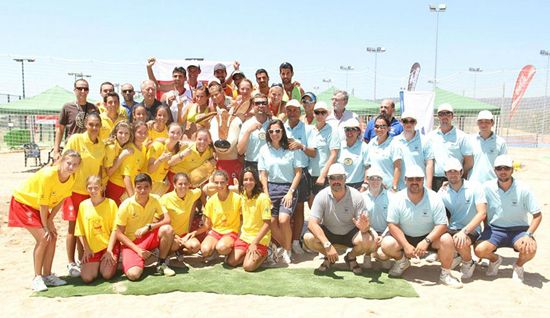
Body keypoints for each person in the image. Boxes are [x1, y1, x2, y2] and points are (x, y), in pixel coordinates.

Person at [8, 150, 81, 291]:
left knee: (53, 237)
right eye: (69, 163)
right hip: (24, 202)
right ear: (62, 161)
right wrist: (46, 224)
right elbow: (43, 204)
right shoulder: (49, 175)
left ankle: (47, 275)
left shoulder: (72, 178)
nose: (71, 167)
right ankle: (37, 277)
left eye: (75, 165)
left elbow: (60, 201)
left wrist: (50, 220)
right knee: (44, 238)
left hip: (39, 207)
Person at [381, 165, 463, 288]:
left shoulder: (434, 197)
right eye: (411, 179)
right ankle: (402, 262)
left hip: (428, 236)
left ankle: (446, 274)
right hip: (405, 235)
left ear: (423, 180)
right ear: (405, 180)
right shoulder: (397, 198)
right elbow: (392, 224)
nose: (414, 182)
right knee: (386, 244)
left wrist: (426, 241)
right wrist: (405, 245)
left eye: (418, 179)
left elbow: (442, 225)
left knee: (447, 240)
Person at [474, 155, 542, 283]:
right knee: (479, 251)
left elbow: (537, 215)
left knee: (530, 249)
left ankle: (518, 266)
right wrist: (447, 185)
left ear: (512, 170)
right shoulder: (486, 187)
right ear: (495, 170)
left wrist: (528, 235)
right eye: (499, 168)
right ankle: (495, 260)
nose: (503, 171)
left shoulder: (524, 189)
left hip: (519, 231)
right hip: (494, 230)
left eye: (506, 168)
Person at [303, 163, 376, 274]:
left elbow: (365, 226)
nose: (336, 181)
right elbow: (312, 224)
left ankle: (350, 257)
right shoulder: (321, 195)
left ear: (345, 179)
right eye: (333, 178)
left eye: (339, 177)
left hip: (350, 233)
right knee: (308, 238)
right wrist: (327, 245)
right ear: (328, 180)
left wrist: (364, 228)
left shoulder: (356, 196)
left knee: (368, 240)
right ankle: (329, 256)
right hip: (329, 232)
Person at [62, 112, 105, 277]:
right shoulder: (76, 140)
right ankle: (70, 263)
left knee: (86, 228)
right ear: (85, 125)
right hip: (74, 191)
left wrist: (100, 188)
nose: (94, 128)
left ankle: (82, 259)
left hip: (91, 193)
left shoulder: (101, 144)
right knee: (73, 228)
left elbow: (100, 168)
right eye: (91, 124)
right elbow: (65, 161)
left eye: (97, 125)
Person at [115, 173, 176, 280]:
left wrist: (149, 227)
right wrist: (138, 250)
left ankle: (161, 263)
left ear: (151, 187)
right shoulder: (126, 205)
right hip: (132, 243)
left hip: (148, 237)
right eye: (139, 187)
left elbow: (167, 220)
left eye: (146, 187)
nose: (143, 190)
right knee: (133, 275)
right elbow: (118, 233)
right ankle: (139, 258)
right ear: (134, 188)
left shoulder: (155, 199)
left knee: (168, 229)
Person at [258, 119, 303, 264]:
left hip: (288, 188)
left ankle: (287, 250)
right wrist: (266, 193)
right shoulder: (264, 149)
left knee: (284, 220)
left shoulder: (291, 148)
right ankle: (286, 247)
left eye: (277, 130)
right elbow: (263, 174)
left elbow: (298, 173)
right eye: (271, 131)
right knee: (270, 222)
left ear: (282, 131)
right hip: (270, 188)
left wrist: (290, 192)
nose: (274, 134)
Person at [438, 158, 487, 279]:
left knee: (460, 241)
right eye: (449, 172)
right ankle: (458, 255)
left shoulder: (475, 187)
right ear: (445, 174)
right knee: (442, 241)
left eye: (456, 171)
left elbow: (482, 213)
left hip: (472, 229)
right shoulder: (442, 192)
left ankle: (468, 262)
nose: (453, 174)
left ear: (461, 172)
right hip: (452, 228)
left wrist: (464, 232)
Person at [226, 167, 272, 271]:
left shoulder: (263, 198)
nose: (248, 182)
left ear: (256, 181)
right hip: (245, 237)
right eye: (245, 179)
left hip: (260, 240)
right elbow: (230, 189)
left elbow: (267, 224)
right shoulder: (243, 195)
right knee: (231, 262)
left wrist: (254, 243)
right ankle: (248, 254)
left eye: (251, 179)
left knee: (248, 267)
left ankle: (267, 254)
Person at [76, 176, 119, 283]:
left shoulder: (111, 204)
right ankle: (97, 265)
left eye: (96, 187)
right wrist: (86, 248)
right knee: (87, 278)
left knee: (107, 275)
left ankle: (114, 261)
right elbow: (79, 230)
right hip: (92, 248)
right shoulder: (83, 205)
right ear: (86, 189)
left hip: (108, 245)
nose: (93, 191)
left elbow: (116, 229)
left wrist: (109, 250)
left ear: (102, 187)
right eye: (90, 188)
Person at [283, 101, 312, 255]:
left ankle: (295, 242)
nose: (292, 112)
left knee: (300, 208)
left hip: (302, 171)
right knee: (284, 210)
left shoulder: (307, 129)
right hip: (285, 173)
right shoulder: (281, 127)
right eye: (289, 110)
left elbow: (313, 152)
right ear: (285, 111)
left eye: (295, 110)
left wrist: (301, 145)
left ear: (300, 112)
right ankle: (285, 243)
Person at [427, 103, 473, 191]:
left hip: (455, 180)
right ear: (438, 116)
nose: (444, 116)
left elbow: (469, 162)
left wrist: (457, 177)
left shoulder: (462, 136)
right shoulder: (430, 136)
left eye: (448, 113)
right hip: (435, 180)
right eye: (441, 114)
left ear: (452, 116)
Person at [161, 173, 203, 265]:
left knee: (195, 246)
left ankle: (179, 252)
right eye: (180, 184)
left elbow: (201, 190)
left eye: (185, 184)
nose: (183, 186)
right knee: (175, 245)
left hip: (185, 234)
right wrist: (175, 237)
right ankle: (165, 256)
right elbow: (160, 221)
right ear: (174, 185)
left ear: (189, 185)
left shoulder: (193, 194)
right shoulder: (165, 199)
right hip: (172, 236)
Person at [200, 170, 242, 262]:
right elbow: (207, 225)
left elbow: (244, 218)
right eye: (216, 183)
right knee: (204, 250)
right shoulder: (211, 201)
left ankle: (227, 250)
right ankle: (215, 251)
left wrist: (240, 235)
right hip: (216, 232)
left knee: (222, 247)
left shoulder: (237, 198)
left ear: (227, 182)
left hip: (231, 232)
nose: (219, 185)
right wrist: (193, 233)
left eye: (222, 182)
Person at [54, 79, 99, 160]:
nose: (83, 91)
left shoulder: (94, 108)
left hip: (88, 148)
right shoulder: (67, 107)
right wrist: (56, 151)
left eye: (86, 89)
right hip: (72, 148)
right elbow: (60, 130)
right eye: (80, 88)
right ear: (74, 90)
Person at [105, 121, 148, 205]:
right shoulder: (129, 150)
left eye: (145, 132)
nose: (143, 135)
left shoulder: (143, 148)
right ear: (134, 133)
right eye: (139, 132)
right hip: (117, 187)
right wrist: (132, 198)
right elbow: (126, 177)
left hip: (129, 187)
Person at [391, 111, 434, 190]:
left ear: (416, 123)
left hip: (420, 186)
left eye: (412, 121)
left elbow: (429, 164)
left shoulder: (425, 140)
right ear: (401, 122)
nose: (408, 124)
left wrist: (429, 186)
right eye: (405, 121)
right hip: (401, 187)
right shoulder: (394, 141)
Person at [305, 101, 340, 197]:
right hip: (310, 173)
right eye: (317, 112)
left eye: (323, 112)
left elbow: (333, 155)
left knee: (325, 207)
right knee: (312, 206)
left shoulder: (333, 131)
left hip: (325, 175)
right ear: (313, 113)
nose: (320, 115)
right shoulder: (309, 130)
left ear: (327, 114)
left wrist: (323, 176)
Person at [361, 168, 392, 269]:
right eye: (372, 179)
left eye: (378, 179)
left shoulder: (391, 196)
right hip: (369, 231)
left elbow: (393, 221)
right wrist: (372, 232)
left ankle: (380, 254)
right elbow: (362, 220)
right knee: (366, 239)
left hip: (387, 232)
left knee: (382, 255)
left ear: (382, 180)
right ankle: (367, 254)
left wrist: (383, 236)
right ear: (367, 180)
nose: (375, 181)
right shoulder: (361, 197)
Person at [469, 110, 508, 184]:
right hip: (473, 183)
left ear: (492, 123)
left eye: (487, 122)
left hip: (493, 184)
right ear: (477, 123)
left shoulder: (500, 142)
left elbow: (503, 165)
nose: (483, 125)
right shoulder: (470, 140)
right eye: (481, 122)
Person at [366, 115, 402, 191]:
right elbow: (368, 165)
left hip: (388, 188)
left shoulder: (394, 144)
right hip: (373, 186)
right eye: (377, 126)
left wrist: (394, 186)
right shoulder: (372, 142)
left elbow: (397, 167)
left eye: (383, 126)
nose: (379, 129)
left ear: (389, 128)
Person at [147, 123, 183, 195]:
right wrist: (160, 159)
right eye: (172, 132)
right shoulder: (158, 146)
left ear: (181, 135)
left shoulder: (177, 149)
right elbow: (150, 170)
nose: (175, 135)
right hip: (146, 183)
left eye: (178, 133)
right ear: (167, 132)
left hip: (158, 186)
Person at [238, 93, 271, 171]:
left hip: (269, 164)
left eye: (264, 103)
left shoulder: (273, 124)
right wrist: (249, 131)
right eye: (257, 103)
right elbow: (240, 151)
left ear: (267, 105)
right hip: (251, 164)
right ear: (253, 106)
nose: (261, 105)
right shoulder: (246, 125)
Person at [103, 121, 133, 199]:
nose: (123, 136)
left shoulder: (124, 145)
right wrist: (122, 155)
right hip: (104, 183)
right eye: (120, 132)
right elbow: (109, 172)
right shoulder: (111, 147)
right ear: (115, 133)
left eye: (126, 133)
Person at [338, 118, 369, 190]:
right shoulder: (339, 146)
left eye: (353, 129)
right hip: (341, 184)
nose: (350, 133)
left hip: (358, 185)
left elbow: (367, 167)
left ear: (358, 132)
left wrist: (365, 185)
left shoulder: (364, 147)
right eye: (347, 129)